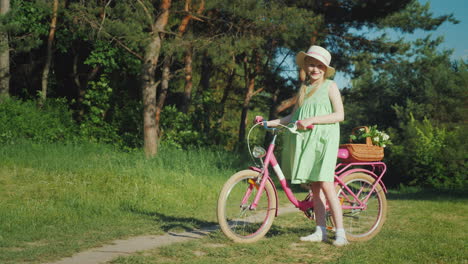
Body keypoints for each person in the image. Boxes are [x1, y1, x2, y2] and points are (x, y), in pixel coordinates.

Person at [265, 45, 348, 246]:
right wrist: (268, 123)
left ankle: (341, 234)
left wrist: (313, 119)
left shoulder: (330, 86)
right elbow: (293, 117)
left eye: (320, 66)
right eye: (311, 64)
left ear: (325, 69)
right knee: (315, 188)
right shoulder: (303, 89)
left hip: (324, 141)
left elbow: (340, 115)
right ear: (306, 66)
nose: (315, 69)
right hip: (308, 142)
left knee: (327, 185)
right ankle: (320, 231)